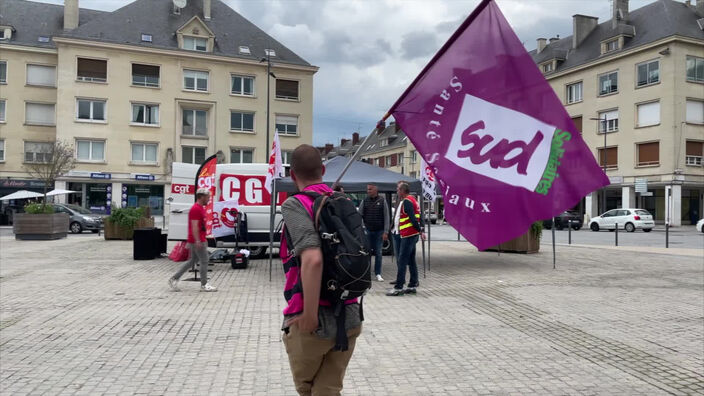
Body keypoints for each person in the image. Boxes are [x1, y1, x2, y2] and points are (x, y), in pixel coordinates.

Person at [280, 144, 362, 396]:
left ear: (292, 175)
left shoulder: (295, 205)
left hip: (312, 318)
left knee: (308, 390)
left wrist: (311, 314)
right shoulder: (342, 200)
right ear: (323, 169)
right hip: (349, 313)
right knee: (329, 390)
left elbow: (313, 259)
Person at [168, 188, 217, 292]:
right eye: (207, 197)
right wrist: (198, 241)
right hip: (197, 240)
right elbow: (194, 226)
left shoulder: (200, 208)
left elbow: (200, 226)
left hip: (197, 239)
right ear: (202, 197)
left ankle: (174, 278)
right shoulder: (195, 209)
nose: (208, 199)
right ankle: (204, 284)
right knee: (204, 260)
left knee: (192, 261)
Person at [387, 182, 425, 296]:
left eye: (398, 189)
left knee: (402, 260)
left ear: (403, 191)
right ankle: (412, 284)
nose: (397, 191)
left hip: (408, 235)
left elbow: (413, 219)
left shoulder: (407, 201)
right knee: (411, 260)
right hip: (410, 235)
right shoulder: (412, 200)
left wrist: (420, 231)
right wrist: (419, 231)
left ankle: (398, 288)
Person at [358, 183, 389, 282]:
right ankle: (366, 273)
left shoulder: (382, 201)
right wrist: (361, 228)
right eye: (367, 189)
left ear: (376, 190)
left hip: (379, 231)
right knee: (367, 253)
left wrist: (386, 231)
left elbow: (386, 217)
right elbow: (359, 215)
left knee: (379, 253)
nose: (368, 191)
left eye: (370, 189)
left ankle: (378, 273)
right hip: (368, 230)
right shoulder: (364, 201)